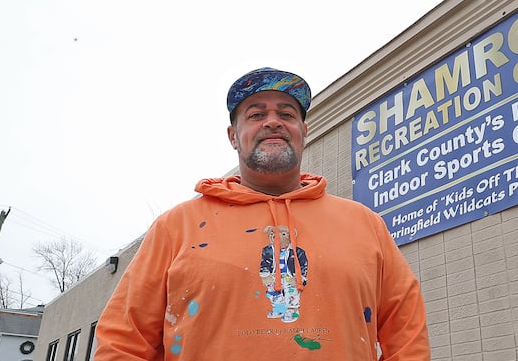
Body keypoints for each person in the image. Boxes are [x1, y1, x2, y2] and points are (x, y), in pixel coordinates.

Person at [95, 67, 430, 360]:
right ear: (233, 137)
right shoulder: (176, 227)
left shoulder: (365, 225)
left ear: (304, 132)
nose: (273, 122)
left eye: (286, 114)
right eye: (256, 115)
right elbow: (124, 341)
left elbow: (407, 334)